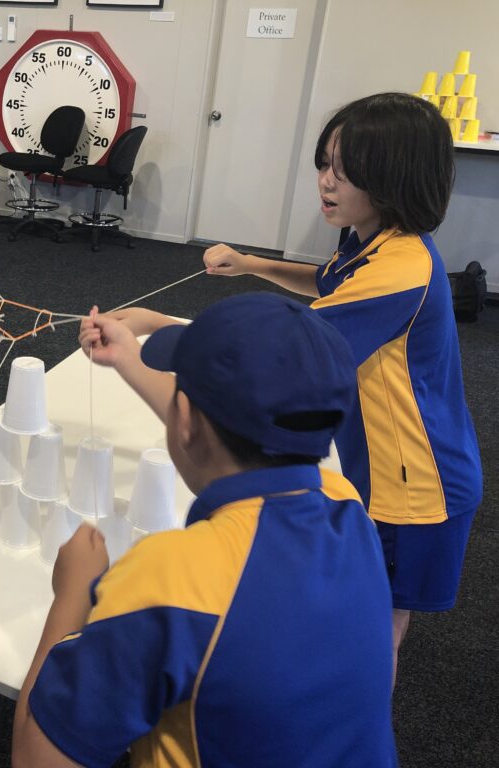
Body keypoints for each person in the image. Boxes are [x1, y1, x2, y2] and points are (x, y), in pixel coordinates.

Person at [12, 293, 397, 767]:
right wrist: (129, 359)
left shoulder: (170, 576)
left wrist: (72, 593)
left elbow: (34, 760)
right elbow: (215, 428)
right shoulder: (349, 506)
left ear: (188, 419)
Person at [202, 92, 482, 676]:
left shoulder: (402, 269)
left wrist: (162, 334)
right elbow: (329, 283)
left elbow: (291, 348)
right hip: (383, 465)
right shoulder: (371, 238)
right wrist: (253, 263)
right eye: (324, 164)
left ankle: (352, 732)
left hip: (418, 487)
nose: (326, 183)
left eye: (345, 171)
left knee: (379, 629)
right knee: (359, 606)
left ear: (393, 177)